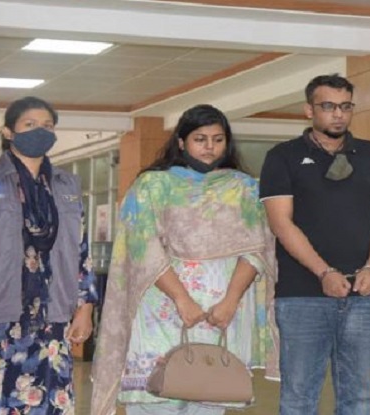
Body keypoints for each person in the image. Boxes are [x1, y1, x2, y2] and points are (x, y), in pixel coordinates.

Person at [91, 104, 278, 415]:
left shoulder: (244, 188)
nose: (209, 147)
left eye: (218, 139)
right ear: (181, 142)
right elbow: (143, 248)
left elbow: (257, 249)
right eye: (200, 139)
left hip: (220, 312)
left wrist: (230, 301)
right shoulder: (152, 185)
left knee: (209, 396)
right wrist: (182, 299)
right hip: (161, 309)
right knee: (156, 397)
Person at [259, 74, 370, 415]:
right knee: (299, 398)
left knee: (358, 398)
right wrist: (324, 272)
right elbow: (281, 223)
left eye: (345, 106)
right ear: (309, 110)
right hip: (302, 296)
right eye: (328, 106)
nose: (338, 114)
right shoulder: (282, 156)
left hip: (365, 296)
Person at [0, 96, 97, 414]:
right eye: (29, 124)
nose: (40, 131)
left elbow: (81, 250)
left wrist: (85, 307)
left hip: (52, 317)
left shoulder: (67, 187)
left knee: (49, 402)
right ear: (8, 132)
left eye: (47, 125)